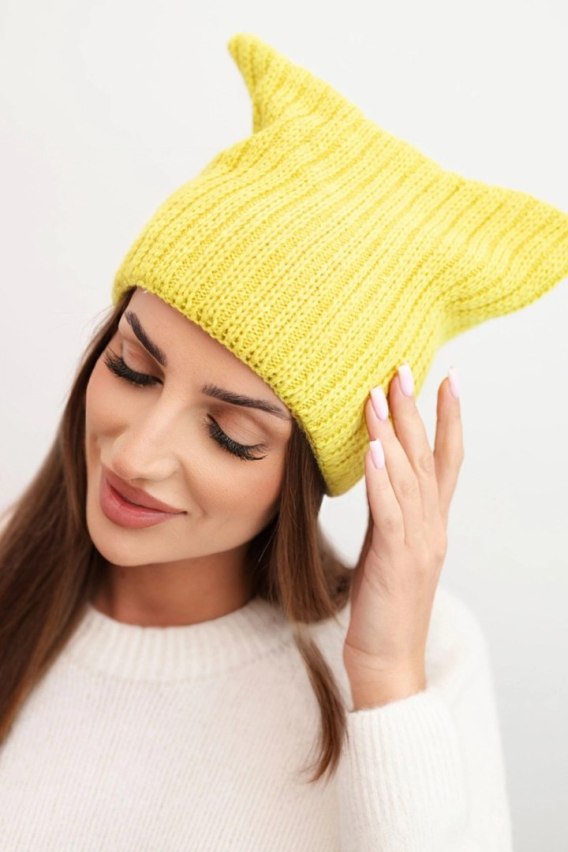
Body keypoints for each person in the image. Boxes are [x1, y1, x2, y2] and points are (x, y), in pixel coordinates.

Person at [1, 31, 567, 852]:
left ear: (313, 475)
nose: (135, 455)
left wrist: (385, 681)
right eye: (131, 367)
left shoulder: (429, 658)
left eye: (229, 434)